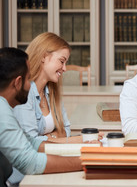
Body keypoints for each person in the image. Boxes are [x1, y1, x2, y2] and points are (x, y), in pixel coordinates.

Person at [0, 48, 82, 179]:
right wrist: (86, 162)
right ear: (17, 82)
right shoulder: (2, 111)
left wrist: (81, 150)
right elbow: (30, 162)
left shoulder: (4, 107)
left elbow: (32, 143)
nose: (30, 86)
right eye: (28, 79)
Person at [13, 32, 82, 143]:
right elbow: (31, 143)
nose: (64, 68)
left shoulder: (51, 92)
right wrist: (60, 136)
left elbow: (66, 129)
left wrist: (49, 138)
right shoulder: (24, 93)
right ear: (44, 57)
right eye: (62, 61)